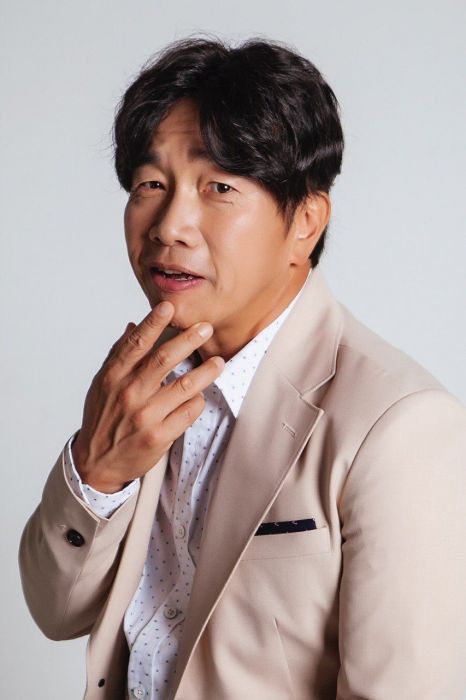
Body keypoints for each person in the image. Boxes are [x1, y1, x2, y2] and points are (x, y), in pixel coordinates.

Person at [18, 35, 466, 700]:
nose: (170, 225)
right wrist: (97, 471)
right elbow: (55, 612)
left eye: (219, 187)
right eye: (150, 184)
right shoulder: (140, 391)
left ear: (305, 222)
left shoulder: (400, 427)